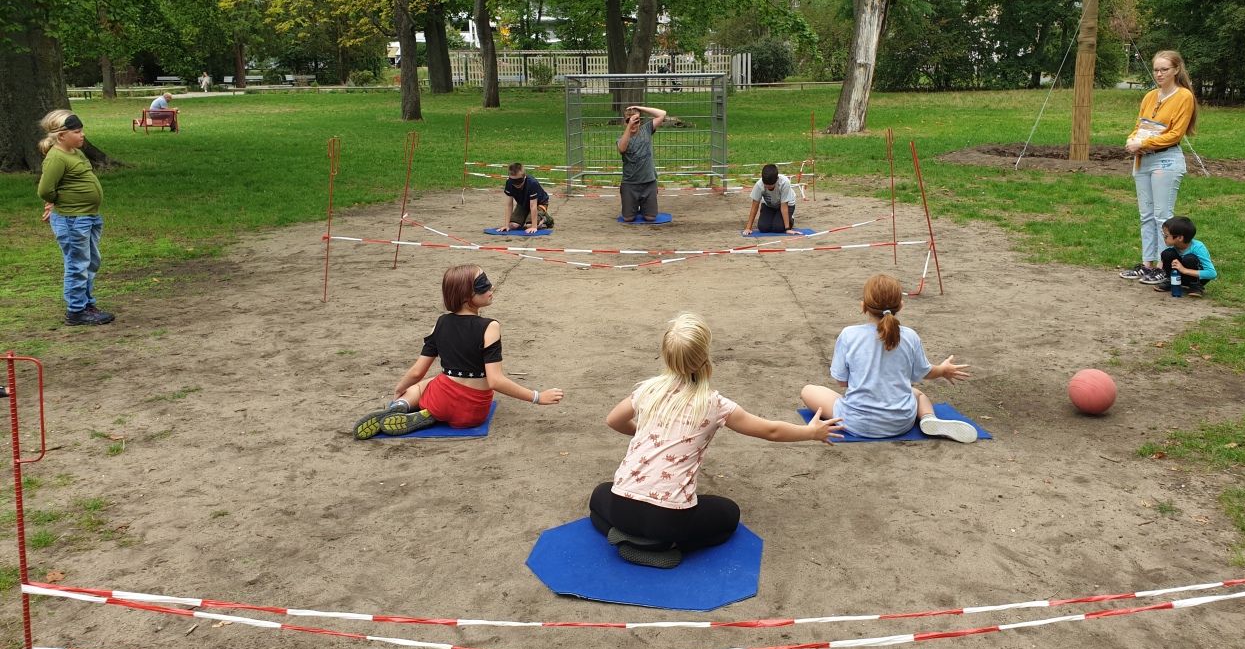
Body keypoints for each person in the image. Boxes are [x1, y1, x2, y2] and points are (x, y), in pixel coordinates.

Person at [589, 312, 843, 569]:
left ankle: (625, 536)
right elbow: (770, 431)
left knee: (599, 496)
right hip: (668, 519)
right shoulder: (714, 404)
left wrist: (649, 437)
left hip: (622, 506)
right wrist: (811, 432)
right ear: (704, 357)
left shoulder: (648, 390)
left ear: (666, 356)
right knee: (729, 515)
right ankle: (665, 546)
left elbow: (613, 420)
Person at [352, 265, 563, 439]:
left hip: (440, 400)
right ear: (465, 296)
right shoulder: (490, 327)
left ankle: (403, 406)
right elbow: (495, 381)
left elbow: (417, 371)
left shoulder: (440, 323)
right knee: (438, 382)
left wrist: (400, 390)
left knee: (425, 384)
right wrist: (537, 397)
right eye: (483, 285)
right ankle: (426, 414)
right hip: (473, 413)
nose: (491, 287)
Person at [801, 274, 977, 443]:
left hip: (856, 422)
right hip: (901, 422)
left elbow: (841, 382)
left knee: (808, 390)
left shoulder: (849, 335)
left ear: (863, 306)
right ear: (900, 306)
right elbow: (926, 372)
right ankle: (928, 418)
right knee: (917, 394)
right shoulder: (910, 336)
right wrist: (944, 370)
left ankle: (871, 413)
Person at [1119, 50, 1197, 286]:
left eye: (1164, 69)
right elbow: (1139, 126)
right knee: (1146, 215)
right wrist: (1132, 141)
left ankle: (1165, 266)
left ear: (1176, 70)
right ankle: (1147, 264)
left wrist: (1144, 142)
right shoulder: (1150, 96)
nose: (1159, 74)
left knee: (1162, 215)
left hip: (1165, 159)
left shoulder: (1184, 96)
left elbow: (1175, 134)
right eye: (1156, 69)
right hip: (1143, 159)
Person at [36, 111, 114, 326]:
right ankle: (76, 311)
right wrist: (57, 203)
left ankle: (87, 303)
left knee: (91, 262)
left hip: (89, 217)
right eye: (77, 132)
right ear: (61, 136)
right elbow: (45, 190)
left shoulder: (75, 153)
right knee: (77, 264)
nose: (82, 135)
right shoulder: (56, 158)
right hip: (72, 219)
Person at [617, 104, 668, 222]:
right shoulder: (622, 138)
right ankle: (634, 205)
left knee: (650, 217)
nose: (634, 124)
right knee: (628, 218)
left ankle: (643, 205)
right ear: (625, 123)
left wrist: (640, 108)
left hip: (648, 182)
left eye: (636, 121)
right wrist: (629, 127)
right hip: (630, 183)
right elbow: (622, 149)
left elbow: (662, 114)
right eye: (629, 121)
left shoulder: (646, 130)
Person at [1152, 216, 1216, 298]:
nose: (1164, 238)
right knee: (1167, 254)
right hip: (1179, 275)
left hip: (1196, 277)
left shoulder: (1198, 248)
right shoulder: (1172, 246)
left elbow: (1212, 273)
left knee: (1190, 258)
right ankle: (1171, 281)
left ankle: (1195, 286)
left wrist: (1184, 270)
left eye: (1166, 235)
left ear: (1180, 238)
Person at [742, 164, 802, 236]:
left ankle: (790, 219)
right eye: (766, 185)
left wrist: (787, 229)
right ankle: (775, 217)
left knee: (778, 228)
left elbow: (784, 206)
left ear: (777, 179)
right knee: (763, 228)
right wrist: (748, 228)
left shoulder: (784, 183)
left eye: (771, 185)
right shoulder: (759, 185)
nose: (768, 187)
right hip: (769, 205)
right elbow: (754, 207)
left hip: (786, 205)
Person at [497, 163, 554, 234]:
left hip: (539, 203)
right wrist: (506, 225)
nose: (516, 184)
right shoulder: (509, 183)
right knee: (512, 225)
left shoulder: (532, 183)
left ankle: (545, 219)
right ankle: (528, 215)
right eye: (513, 181)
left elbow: (533, 206)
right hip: (523, 204)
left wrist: (534, 227)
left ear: (524, 176)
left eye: (519, 181)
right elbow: (509, 205)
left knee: (530, 226)